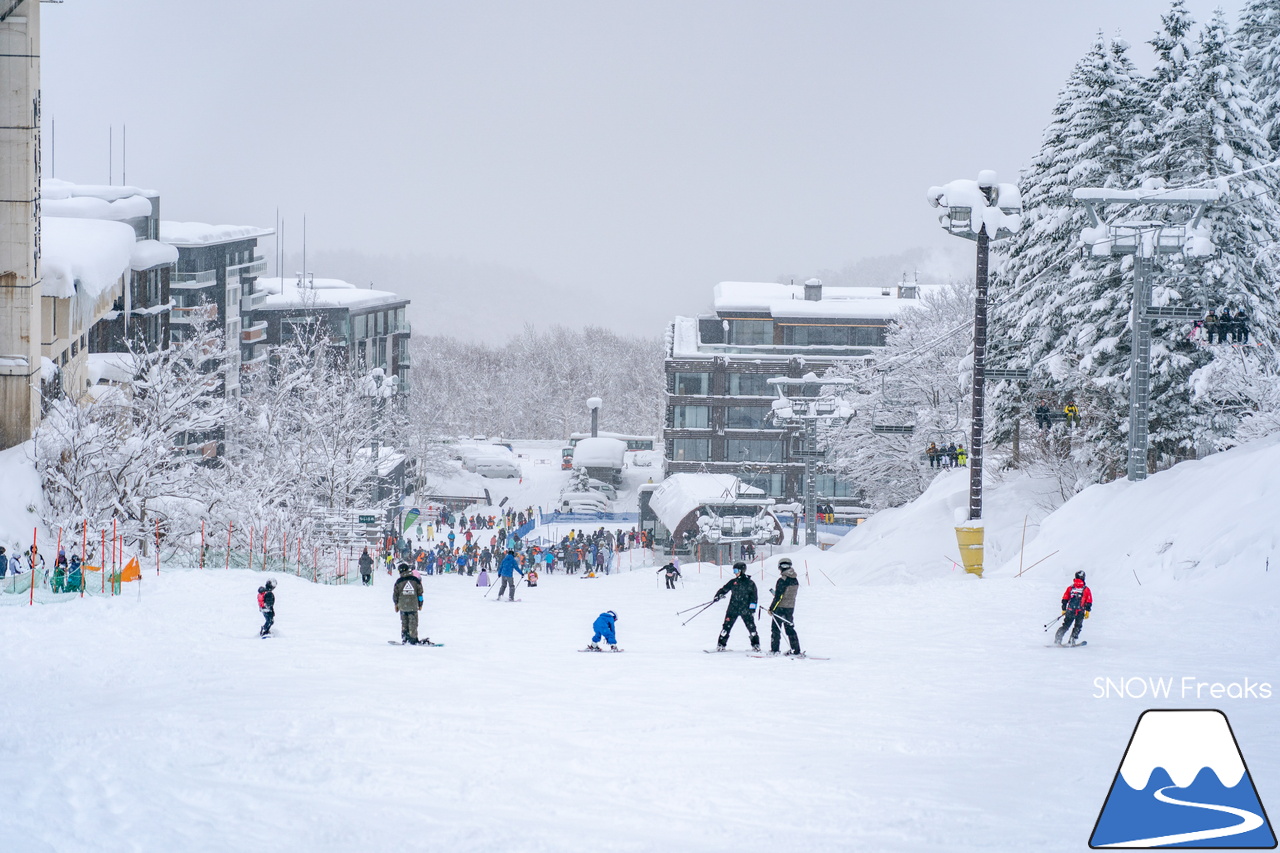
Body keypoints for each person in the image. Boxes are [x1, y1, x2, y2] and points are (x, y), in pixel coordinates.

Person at [712, 562, 760, 651]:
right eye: (734, 570)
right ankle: (721, 645)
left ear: (742, 571)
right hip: (733, 609)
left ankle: (756, 645)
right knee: (726, 627)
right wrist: (718, 595)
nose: (735, 572)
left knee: (751, 627)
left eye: (736, 570)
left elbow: (754, 598)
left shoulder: (750, 583)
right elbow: (724, 589)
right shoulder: (733, 582)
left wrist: (752, 610)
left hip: (746, 610)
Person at [767, 558, 802, 656]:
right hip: (790, 607)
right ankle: (796, 650)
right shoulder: (795, 579)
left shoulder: (782, 580)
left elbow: (779, 597)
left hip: (780, 607)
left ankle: (775, 650)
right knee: (790, 628)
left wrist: (771, 608)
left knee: (775, 629)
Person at [1055, 570, 1093, 646]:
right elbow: (1089, 601)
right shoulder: (1086, 589)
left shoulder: (1070, 588)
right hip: (1080, 612)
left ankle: (1057, 640)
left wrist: (1063, 609)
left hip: (1070, 611)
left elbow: (1065, 599)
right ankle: (1072, 640)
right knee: (1077, 626)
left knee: (1065, 625)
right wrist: (1087, 611)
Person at [392, 563, 426, 644]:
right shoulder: (415, 580)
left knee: (404, 622)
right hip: (413, 606)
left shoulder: (399, 581)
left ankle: (405, 638)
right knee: (413, 622)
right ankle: (413, 639)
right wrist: (420, 604)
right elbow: (420, 593)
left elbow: (395, 594)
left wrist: (396, 604)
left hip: (402, 606)